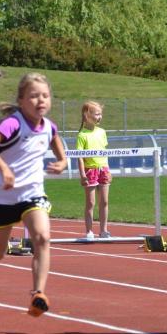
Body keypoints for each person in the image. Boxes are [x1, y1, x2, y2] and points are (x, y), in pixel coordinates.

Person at [0, 73, 67, 317]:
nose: (41, 100)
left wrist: (62, 161)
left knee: (43, 237)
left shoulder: (49, 126)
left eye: (45, 95)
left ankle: (38, 294)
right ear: (21, 100)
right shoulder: (13, 124)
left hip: (33, 194)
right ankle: (2, 237)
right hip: (4, 197)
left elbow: (55, 139)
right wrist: (4, 168)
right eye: (34, 96)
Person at [76, 101, 111, 239]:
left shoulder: (102, 132)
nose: (99, 117)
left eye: (100, 114)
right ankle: (89, 231)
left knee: (104, 201)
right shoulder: (82, 135)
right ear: (87, 115)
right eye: (97, 114)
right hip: (90, 170)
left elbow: (104, 151)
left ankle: (104, 230)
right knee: (91, 202)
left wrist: (108, 170)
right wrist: (82, 174)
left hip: (103, 169)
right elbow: (79, 157)